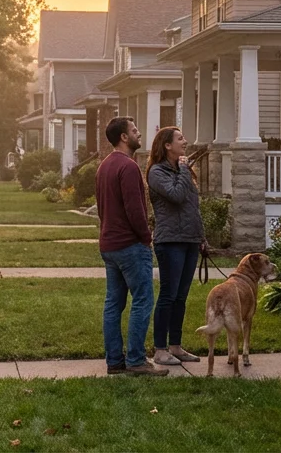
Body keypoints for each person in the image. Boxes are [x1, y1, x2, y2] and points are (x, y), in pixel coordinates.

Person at [95, 117, 167, 376]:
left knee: (113, 304)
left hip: (109, 244)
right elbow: (134, 208)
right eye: (135, 131)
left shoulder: (104, 166)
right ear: (124, 137)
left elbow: (102, 207)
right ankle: (136, 361)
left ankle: (114, 362)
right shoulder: (128, 167)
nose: (139, 134)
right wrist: (145, 236)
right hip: (129, 245)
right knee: (143, 301)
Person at [146, 126, 205, 367]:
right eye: (180, 138)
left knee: (181, 297)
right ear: (167, 145)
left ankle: (176, 346)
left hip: (190, 240)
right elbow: (176, 196)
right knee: (168, 296)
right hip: (170, 242)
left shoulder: (182, 171)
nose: (185, 141)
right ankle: (160, 349)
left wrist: (202, 237)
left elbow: (192, 207)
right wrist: (183, 168)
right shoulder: (157, 172)